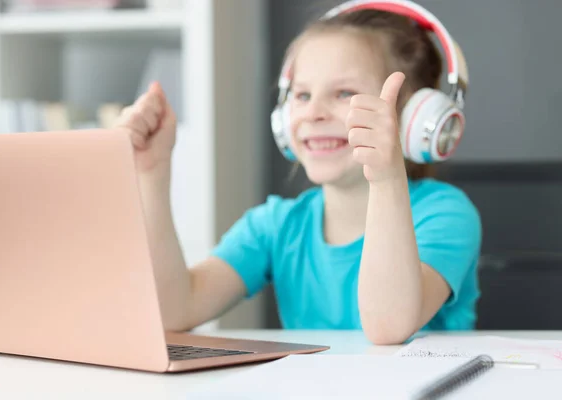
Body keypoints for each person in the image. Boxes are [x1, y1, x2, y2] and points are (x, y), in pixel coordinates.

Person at [114, 0, 482, 345]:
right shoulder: (276, 225)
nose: (313, 113)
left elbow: (388, 326)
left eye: (343, 93)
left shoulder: (446, 213)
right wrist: (153, 174)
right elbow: (174, 311)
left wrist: (386, 176)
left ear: (414, 120)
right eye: (302, 96)